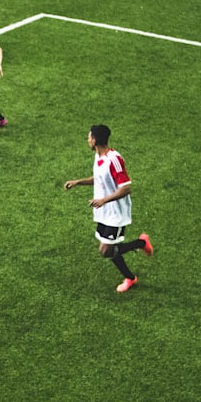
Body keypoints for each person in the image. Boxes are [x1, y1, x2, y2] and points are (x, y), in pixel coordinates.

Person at [62, 124, 153, 292]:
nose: (87, 140)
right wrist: (78, 182)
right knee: (109, 249)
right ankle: (130, 278)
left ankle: (141, 243)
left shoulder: (114, 159)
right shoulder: (98, 157)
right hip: (104, 212)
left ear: (95, 140)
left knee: (105, 250)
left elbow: (126, 188)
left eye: (89, 137)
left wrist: (104, 200)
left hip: (116, 213)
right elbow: (99, 178)